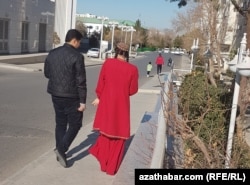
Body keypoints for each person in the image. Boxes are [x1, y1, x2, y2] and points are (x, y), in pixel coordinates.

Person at [89, 42, 139, 175]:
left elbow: (101, 83)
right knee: (119, 136)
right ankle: (111, 168)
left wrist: (100, 96)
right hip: (122, 106)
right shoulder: (133, 69)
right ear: (127, 54)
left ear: (116, 51)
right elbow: (132, 90)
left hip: (107, 103)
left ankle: (104, 164)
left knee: (105, 134)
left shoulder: (108, 63)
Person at [44, 29, 87, 168]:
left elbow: (47, 73)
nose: (79, 45)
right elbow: (81, 81)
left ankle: (60, 152)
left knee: (60, 123)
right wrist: (83, 101)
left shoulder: (52, 53)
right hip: (71, 96)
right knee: (75, 124)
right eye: (79, 42)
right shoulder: (77, 56)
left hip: (55, 94)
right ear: (74, 40)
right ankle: (61, 149)